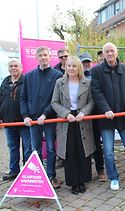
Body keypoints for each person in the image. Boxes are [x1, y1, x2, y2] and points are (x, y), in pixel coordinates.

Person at [91, 42, 125, 190]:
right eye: (107, 51)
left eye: (112, 51)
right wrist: (105, 109)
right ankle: (113, 178)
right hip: (107, 119)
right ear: (103, 54)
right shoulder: (97, 71)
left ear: (117, 52)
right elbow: (96, 92)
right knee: (108, 151)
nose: (110, 54)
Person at [20, 46, 63, 189]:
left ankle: (51, 176)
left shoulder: (57, 75)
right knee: (35, 149)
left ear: (50, 57)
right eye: (40, 55)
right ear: (36, 58)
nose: (43, 58)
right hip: (32, 120)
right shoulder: (29, 76)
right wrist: (26, 116)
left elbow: (56, 99)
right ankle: (37, 177)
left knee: (51, 148)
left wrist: (45, 114)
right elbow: (23, 98)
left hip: (49, 119)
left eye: (45, 55)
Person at [51, 56, 95, 194]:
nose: (71, 68)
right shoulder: (59, 83)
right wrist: (66, 114)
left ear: (79, 68)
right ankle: (73, 182)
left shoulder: (86, 83)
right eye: (69, 66)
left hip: (82, 118)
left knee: (83, 150)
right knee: (69, 151)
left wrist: (84, 113)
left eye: (74, 66)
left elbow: (92, 101)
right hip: (67, 120)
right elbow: (54, 102)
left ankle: (82, 180)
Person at [0, 59, 32, 181]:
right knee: (12, 147)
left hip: (24, 121)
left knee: (27, 148)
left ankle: (28, 171)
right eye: (11, 66)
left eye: (16, 66)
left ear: (21, 68)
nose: (13, 68)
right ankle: (14, 170)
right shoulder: (5, 82)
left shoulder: (26, 81)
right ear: (8, 68)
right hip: (9, 122)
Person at [79, 52, 107, 182]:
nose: (86, 64)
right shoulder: (75, 77)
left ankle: (100, 170)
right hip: (80, 115)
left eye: (88, 62)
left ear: (92, 62)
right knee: (82, 145)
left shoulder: (96, 74)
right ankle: (84, 173)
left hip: (95, 114)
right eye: (83, 62)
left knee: (96, 143)